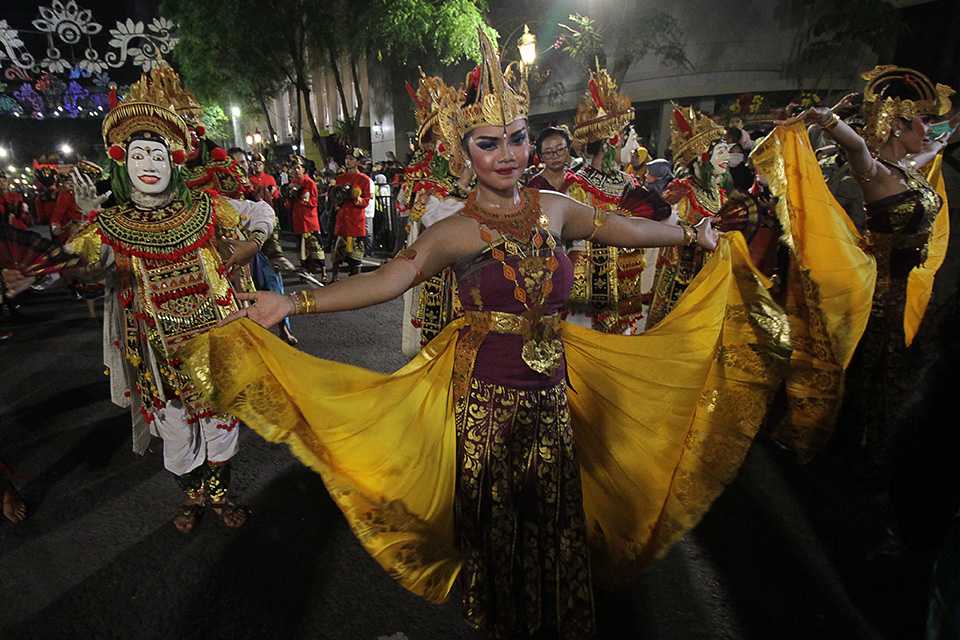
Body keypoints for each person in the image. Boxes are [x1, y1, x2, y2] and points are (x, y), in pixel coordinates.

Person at [178, 29, 790, 639]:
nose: (509, 154)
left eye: (518, 138)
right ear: (463, 151)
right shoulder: (456, 230)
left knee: (551, 517)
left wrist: (692, 236)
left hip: (551, 391)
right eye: (489, 143)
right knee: (501, 521)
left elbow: (619, 227)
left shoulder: (554, 207)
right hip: (486, 403)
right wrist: (294, 301)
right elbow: (394, 277)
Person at [3, 64, 276, 533]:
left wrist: (245, 249)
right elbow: (76, 260)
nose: (148, 164)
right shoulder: (111, 225)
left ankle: (218, 497)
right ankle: (192, 498)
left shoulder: (207, 207)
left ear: (173, 160)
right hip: (156, 350)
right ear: (122, 163)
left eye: (156, 154)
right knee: (175, 429)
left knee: (221, 426)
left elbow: (262, 213)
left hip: (216, 339)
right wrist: (34, 275)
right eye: (137, 156)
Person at [752, 66, 957, 552]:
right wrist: (827, 117)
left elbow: (936, 147)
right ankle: (851, 491)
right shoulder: (874, 171)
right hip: (879, 302)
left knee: (896, 387)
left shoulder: (913, 166)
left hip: (908, 297)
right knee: (870, 390)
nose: (927, 130)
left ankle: (868, 480)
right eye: (918, 122)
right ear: (893, 123)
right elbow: (853, 144)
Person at [565, 69, 671, 334]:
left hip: (627, 277)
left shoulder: (631, 182)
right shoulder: (579, 185)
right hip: (591, 284)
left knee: (625, 332)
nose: (631, 144)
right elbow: (572, 239)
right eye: (624, 137)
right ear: (609, 142)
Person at [397, 72, 472, 354]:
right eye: (445, 139)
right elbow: (436, 222)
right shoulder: (424, 182)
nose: (452, 148)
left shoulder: (479, 178)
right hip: (438, 272)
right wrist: (462, 186)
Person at [646, 105, 729, 329]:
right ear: (702, 155)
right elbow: (669, 233)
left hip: (709, 273)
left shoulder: (719, 193)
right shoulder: (681, 191)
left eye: (726, 150)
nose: (727, 157)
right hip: (681, 273)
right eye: (721, 152)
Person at [329, 148, 373, 282]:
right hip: (342, 219)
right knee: (337, 254)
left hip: (356, 220)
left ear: (358, 162)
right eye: (347, 159)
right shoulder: (340, 178)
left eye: (351, 159)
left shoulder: (364, 179)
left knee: (356, 256)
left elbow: (366, 200)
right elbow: (335, 198)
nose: (348, 161)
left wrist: (356, 198)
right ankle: (334, 278)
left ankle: (356, 281)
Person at [290, 156, 325, 277]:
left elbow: (314, 202)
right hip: (298, 219)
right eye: (294, 168)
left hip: (309, 220)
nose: (295, 170)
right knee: (301, 247)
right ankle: (305, 268)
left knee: (314, 245)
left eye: (298, 167)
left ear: (304, 169)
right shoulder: (293, 183)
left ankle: (320, 269)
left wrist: (301, 198)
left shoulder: (309, 183)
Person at [526, 126, 574, 193]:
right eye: (548, 152)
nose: (555, 156)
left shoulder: (575, 181)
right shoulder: (534, 186)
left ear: (568, 150)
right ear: (541, 156)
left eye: (560, 149)